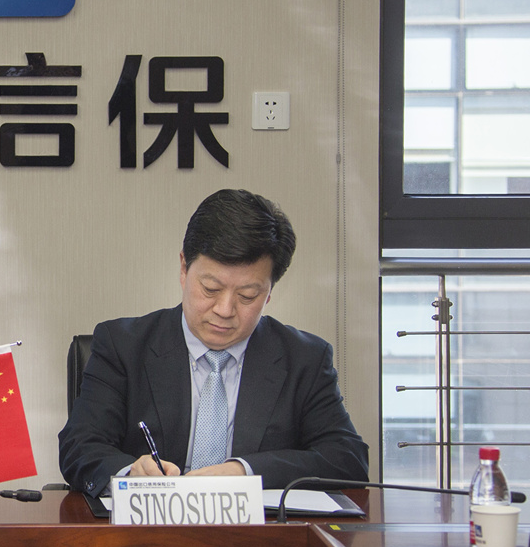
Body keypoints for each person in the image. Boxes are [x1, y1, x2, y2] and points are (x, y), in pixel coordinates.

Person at [58, 189, 368, 494]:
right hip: (149, 523)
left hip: (258, 527)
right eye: (210, 289)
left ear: (269, 292)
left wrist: (245, 471)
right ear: (184, 268)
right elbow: (80, 446)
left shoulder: (304, 359)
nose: (225, 310)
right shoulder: (123, 346)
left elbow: (347, 458)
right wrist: (130, 474)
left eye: (247, 296)